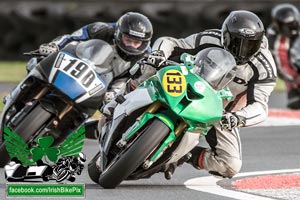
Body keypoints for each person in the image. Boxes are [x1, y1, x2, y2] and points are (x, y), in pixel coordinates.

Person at [104, 10, 277, 179]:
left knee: (230, 165)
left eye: (250, 45)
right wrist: (159, 54)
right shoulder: (211, 38)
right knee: (150, 63)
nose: (242, 51)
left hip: (219, 112)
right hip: (187, 83)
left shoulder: (265, 67)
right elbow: (171, 42)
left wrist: (237, 118)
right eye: (237, 43)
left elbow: (260, 107)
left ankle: (182, 155)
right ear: (225, 36)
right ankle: (118, 101)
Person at [34, 12, 155, 139]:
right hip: (82, 65)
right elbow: (71, 38)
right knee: (36, 61)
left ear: (145, 42)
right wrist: (54, 46)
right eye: (128, 40)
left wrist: (116, 94)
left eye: (136, 42)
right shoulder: (102, 29)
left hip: (111, 83)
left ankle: (72, 130)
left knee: (109, 110)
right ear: (119, 33)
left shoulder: (146, 58)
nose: (131, 45)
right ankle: (25, 93)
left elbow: (136, 84)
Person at [266, 3, 300, 109]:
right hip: (292, 72)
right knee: (294, 103)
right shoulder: (273, 37)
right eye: (288, 26)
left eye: (293, 24)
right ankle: (293, 88)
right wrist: (293, 80)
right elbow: (278, 65)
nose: (292, 28)